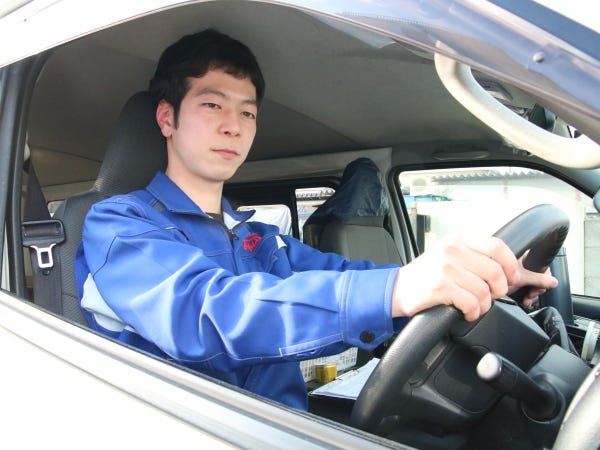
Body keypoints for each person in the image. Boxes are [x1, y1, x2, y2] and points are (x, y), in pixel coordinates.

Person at [75, 29, 558, 410]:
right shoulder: (119, 225)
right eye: (211, 104)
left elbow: (349, 276)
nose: (233, 126)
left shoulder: (261, 240)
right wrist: (395, 290)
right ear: (167, 118)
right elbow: (206, 314)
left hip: (287, 426)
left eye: (248, 113)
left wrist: (477, 279)